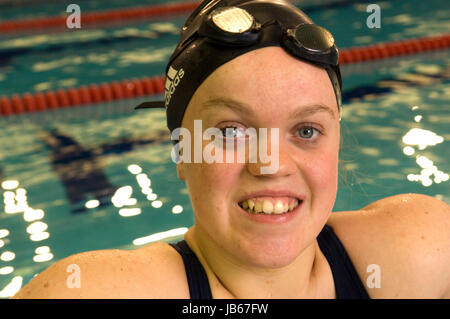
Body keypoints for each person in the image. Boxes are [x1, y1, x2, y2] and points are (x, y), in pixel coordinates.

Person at [13, 0, 449, 299]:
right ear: (182, 153)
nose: (271, 164)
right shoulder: (101, 290)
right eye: (230, 131)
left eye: (307, 130)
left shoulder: (419, 250)